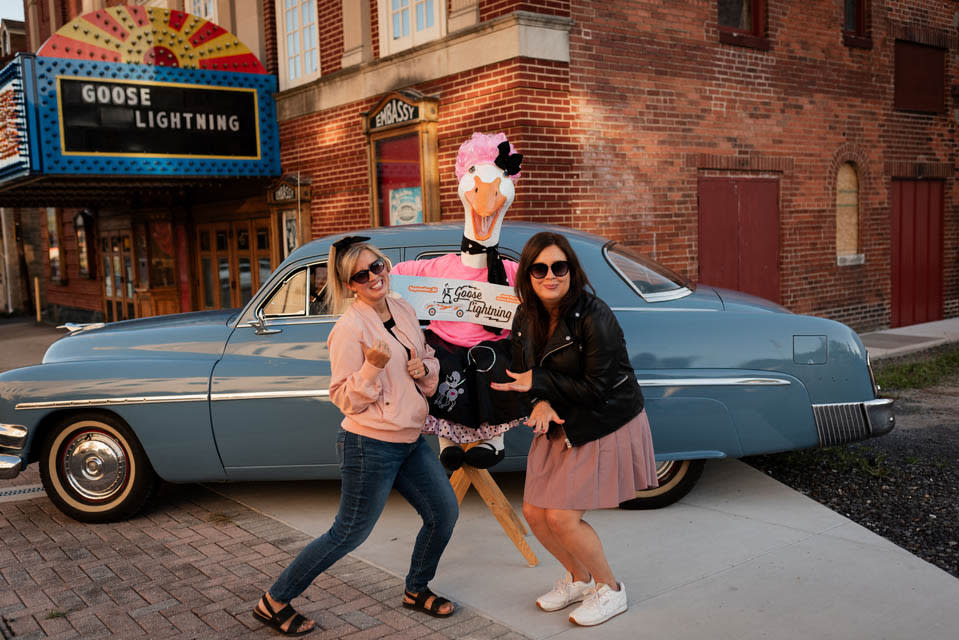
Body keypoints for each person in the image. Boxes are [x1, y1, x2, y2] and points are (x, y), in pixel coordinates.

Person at [253, 236, 459, 636]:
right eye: (360, 275)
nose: (372, 278)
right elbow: (344, 397)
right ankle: (274, 600)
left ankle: (416, 589)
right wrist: (370, 369)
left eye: (375, 268)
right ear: (350, 285)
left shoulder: (402, 309)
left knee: (443, 514)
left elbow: (427, 357)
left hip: (410, 439)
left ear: (385, 266)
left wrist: (424, 369)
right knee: (348, 533)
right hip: (370, 445)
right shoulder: (348, 329)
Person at [491, 231, 658, 627]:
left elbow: (598, 388)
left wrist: (541, 385)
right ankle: (579, 580)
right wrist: (540, 401)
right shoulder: (525, 315)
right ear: (527, 275)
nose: (551, 276)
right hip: (559, 419)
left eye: (559, 267)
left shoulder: (594, 315)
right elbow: (524, 377)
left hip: (601, 419)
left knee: (563, 517)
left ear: (571, 269)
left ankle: (611, 589)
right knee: (534, 512)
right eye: (540, 269)